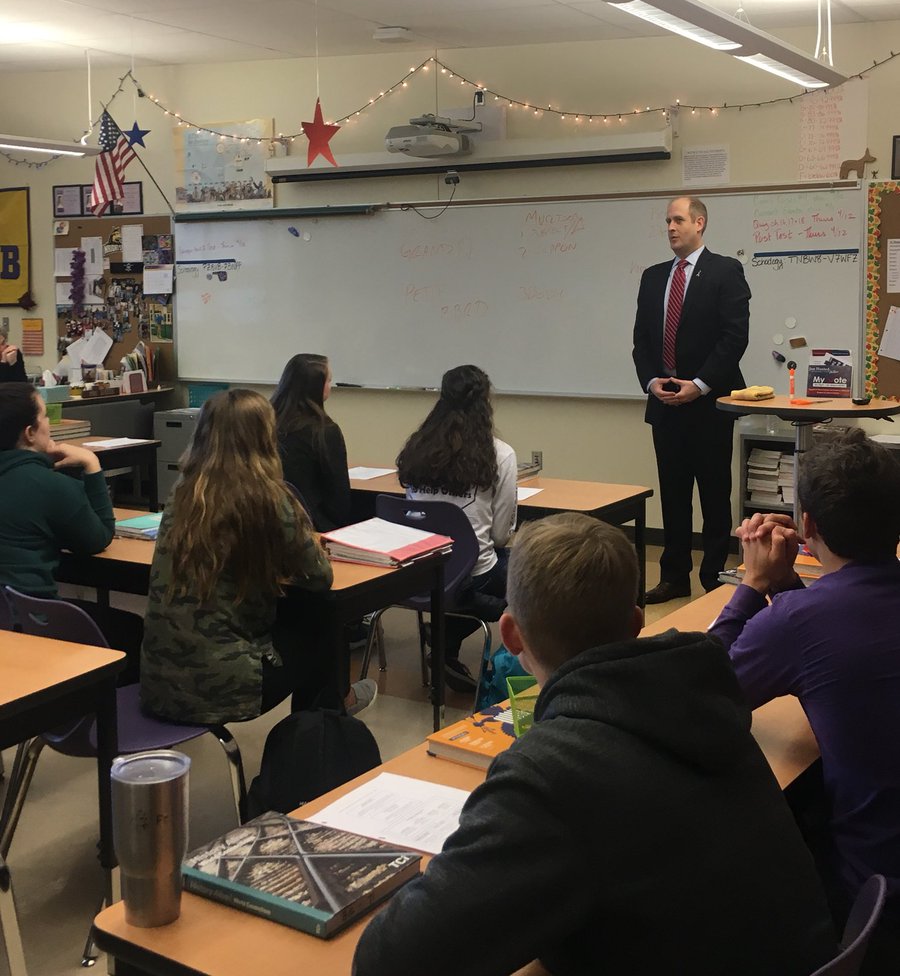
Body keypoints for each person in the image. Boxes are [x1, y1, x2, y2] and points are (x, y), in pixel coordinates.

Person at [353, 512, 836, 976]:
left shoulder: (550, 775)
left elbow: (389, 961)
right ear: (636, 622)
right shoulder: (701, 693)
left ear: (511, 635)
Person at [708, 428, 900, 969]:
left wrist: (751, 584)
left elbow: (696, 693)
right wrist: (787, 583)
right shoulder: (805, 616)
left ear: (808, 525)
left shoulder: (799, 622)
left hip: (873, 893)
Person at [140, 389, 375, 724]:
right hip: (226, 688)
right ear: (265, 437)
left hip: (158, 685)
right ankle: (320, 727)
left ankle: (331, 710)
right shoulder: (269, 499)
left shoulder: (184, 493)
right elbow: (320, 576)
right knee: (323, 612)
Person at [632, 195, 751, 602]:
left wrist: (698, 384)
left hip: (709, 404)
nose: (671, 227)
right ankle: (674, 577)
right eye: (667, 220)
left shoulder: (725, 271)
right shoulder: (652, 277)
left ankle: (715, 580)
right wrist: (652, 382)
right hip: (665, 406)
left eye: (678, 220)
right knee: (674, 495)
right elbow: (641, 342)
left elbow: (734, 337)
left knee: (715, 496)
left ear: (699, 223)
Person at [0, 383, 143, 683]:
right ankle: (97, 722)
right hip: (31, 623)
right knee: (133, 629)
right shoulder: (48, 486)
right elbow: (98, 537)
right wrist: (92, 464)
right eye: (44, 416)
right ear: (29, 432)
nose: (49, 425)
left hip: (8, 616)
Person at [396, 365, 517, 694]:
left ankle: (444, 638)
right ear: (485, 402)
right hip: (470, 571)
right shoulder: (500, 455)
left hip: (418, 571)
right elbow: (501, 536)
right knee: (524, 572)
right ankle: (459, 628)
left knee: (467, 575)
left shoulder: (417, 450)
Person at [271, 353, 353, 533]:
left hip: (271, 522)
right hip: (315, 526)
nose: (330, 387)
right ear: (315, 387)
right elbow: (338, 495)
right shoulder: (325, 431)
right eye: (328, 381)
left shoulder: (266, 423)